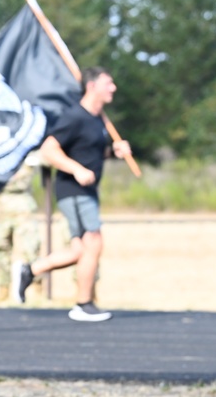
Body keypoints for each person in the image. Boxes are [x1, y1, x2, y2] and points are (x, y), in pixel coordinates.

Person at [16, 66, 131, 322]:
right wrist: (77, 170)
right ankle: (83, 304)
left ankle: (30, 270)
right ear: (92, 86)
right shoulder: (74, 116)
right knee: (94, 242)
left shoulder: (98, 118)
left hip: (87, 190)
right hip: (74, 189)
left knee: (79, 251)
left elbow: (89, 151)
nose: (113, 88)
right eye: (108, 83)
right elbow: (49, 149)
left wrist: (114, 152)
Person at [0, 156, 41, 302]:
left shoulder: (26, 141)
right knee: (0, 246)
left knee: (31, 247)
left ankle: (38, 289)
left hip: (22, 199)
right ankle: (3, 289)